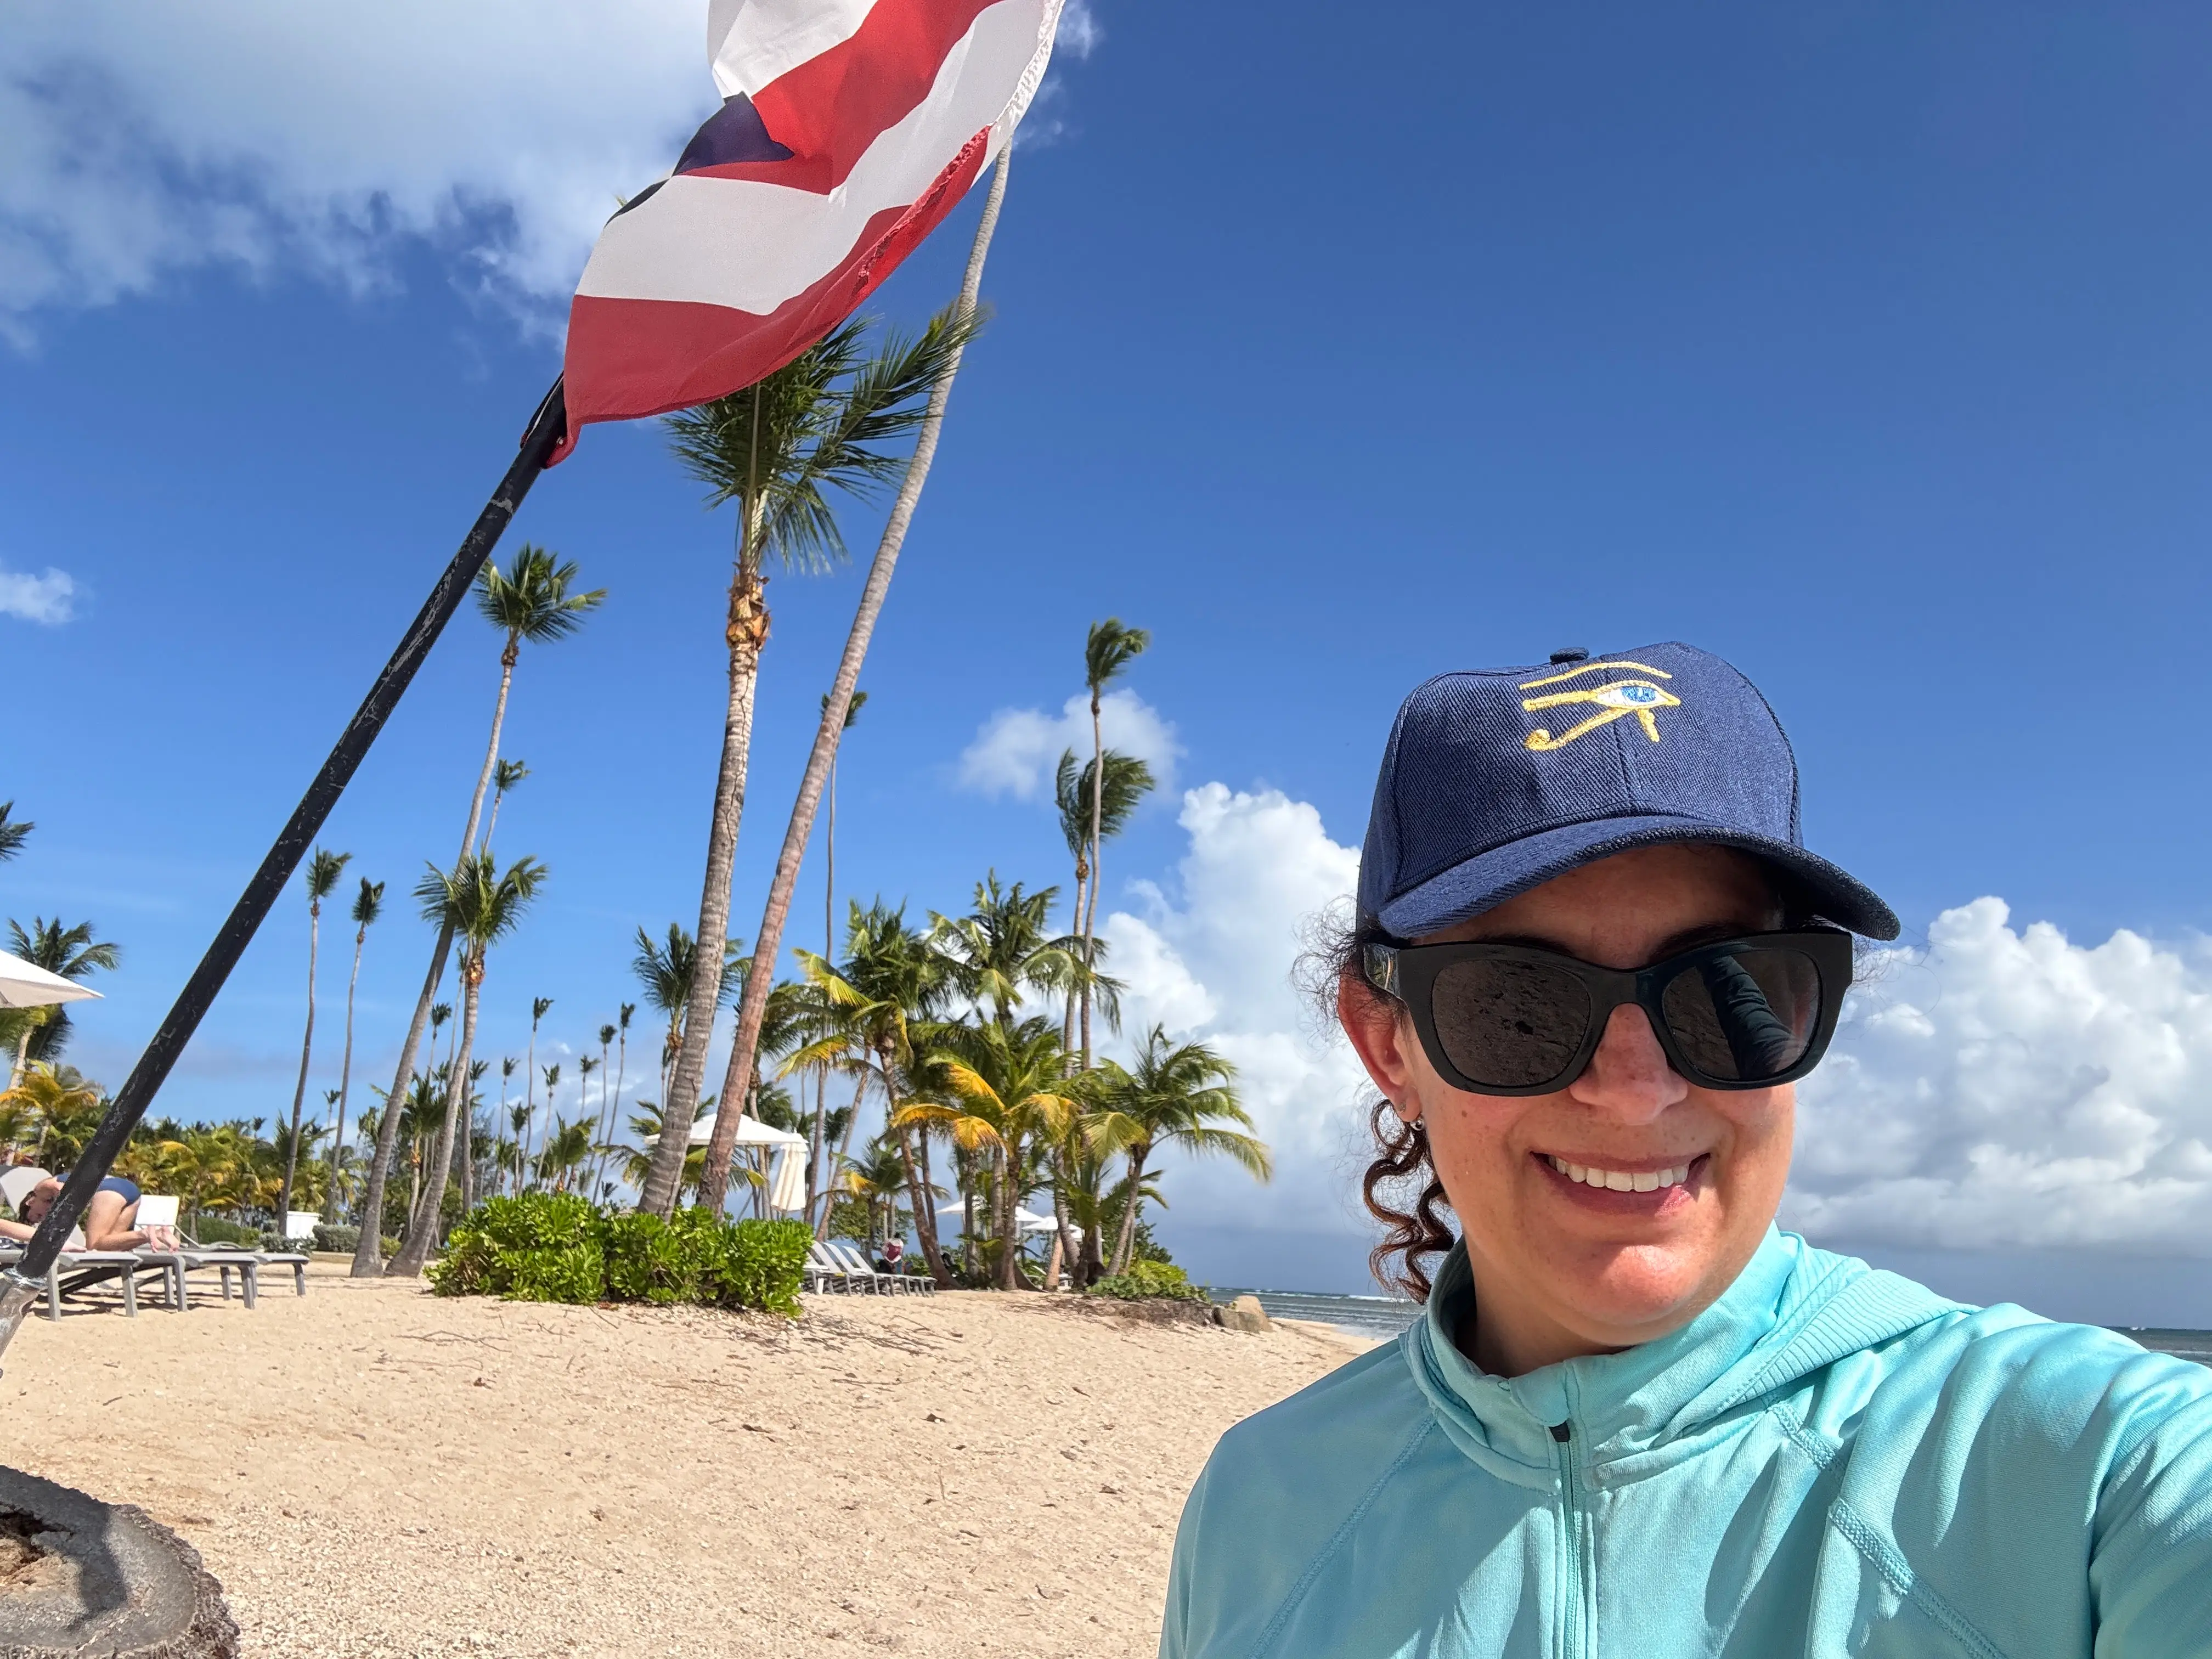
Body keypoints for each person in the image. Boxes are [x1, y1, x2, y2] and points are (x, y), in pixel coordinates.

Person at [1160, 643, 2212, 1656]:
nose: (1634, 1086)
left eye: (1725, 989)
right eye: (1515, 1003)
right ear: (1389, 1041)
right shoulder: (1259, 1500)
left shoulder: (2092, 1471)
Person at [0, 1167, 178, 1252]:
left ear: (31, 1202)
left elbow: (55, 1186)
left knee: (93, 1245)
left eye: (38, 1214)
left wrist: (63, 1206)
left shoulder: (39, 1190)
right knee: (110, 1246)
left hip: (108, 1190)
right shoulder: (47, 1200)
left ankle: (146, 1234)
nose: (43, 1215)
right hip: (129, 1190)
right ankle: (158, 1234)